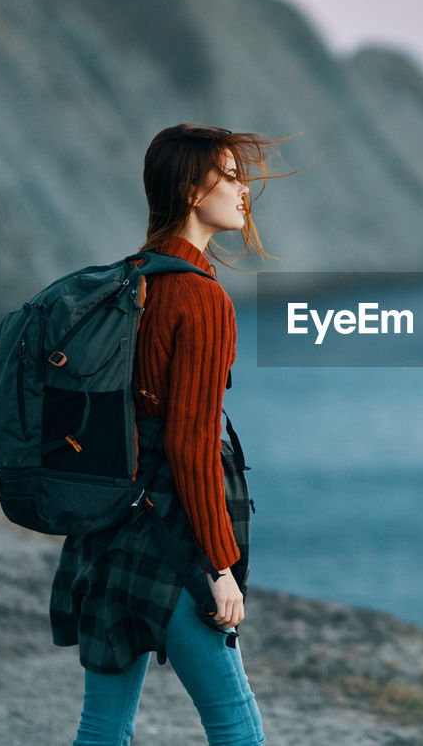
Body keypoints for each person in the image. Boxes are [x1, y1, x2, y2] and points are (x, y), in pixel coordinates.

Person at [50, 123, 287, 746]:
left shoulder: (129, 280)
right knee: (237, 724)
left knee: (102, 725)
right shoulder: (202, 300)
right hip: (170, 544)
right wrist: (219, 564)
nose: (244, 191)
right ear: (189, 190)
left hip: (106, 534)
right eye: (230, 175)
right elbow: (190, 445)